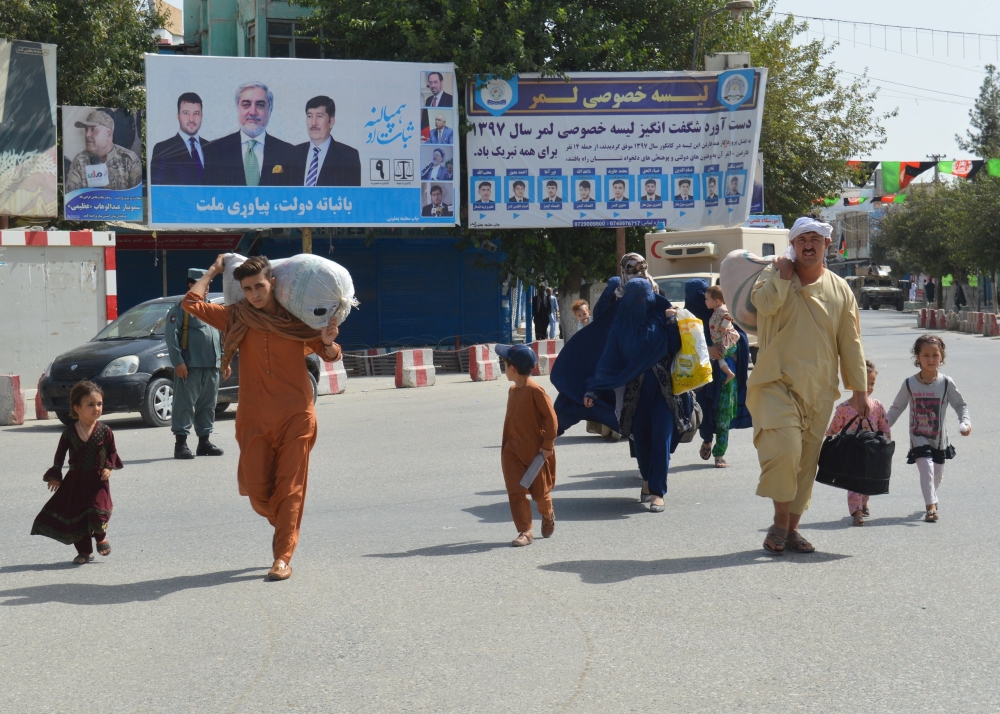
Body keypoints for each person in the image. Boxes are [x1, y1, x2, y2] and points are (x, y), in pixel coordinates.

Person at [182, 255, 342, 581]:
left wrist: (327, 342)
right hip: (253, 417)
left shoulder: (296, 321)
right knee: (256, 490)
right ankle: (286, 519)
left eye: (260, 286)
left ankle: (282, 557)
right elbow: (191, 303)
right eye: (247, 288)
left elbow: (329, 352)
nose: (255, 293)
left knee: (291, 488)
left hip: (296, 415)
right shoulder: (236, 318)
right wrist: (213, 270)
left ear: (273, 284)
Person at [748, 216, 869, 555]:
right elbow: (764, 306)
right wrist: (784, 276)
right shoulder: (773, 276)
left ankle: (792, 529)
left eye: (816, 239)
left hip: (819, 388)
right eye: (802, 239)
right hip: (775, 383)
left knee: (806, 461)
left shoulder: (840, 288)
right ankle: (779, 522)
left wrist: (859, 391)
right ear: (794, 245)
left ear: (827, 245)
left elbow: (851, 341)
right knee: (785, 451)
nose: (809, 245)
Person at [581, 258, 686, 512]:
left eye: (645, 296)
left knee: (662, 435)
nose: (641, 301)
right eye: (635, 297)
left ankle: (658, 492)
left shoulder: (662, 314)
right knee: (641, 438)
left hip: (664, 389)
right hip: (633, 392)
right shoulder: (621, 325)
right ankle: (648, 479)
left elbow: (675, 348)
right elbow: (608, 359)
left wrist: (672, 323)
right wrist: (594, 389)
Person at [31, 381, 122, 564]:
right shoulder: (69, 433)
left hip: (98, 480)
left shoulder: (105, 431)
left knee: (97, 512)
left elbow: (112, 451)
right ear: (76, 407)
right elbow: (59, 457)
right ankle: (85, 552)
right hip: (76, 481)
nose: (96, 408)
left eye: (99, 404)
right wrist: (56, 476)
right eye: (91, 404)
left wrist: (108, 467)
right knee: (77, 517)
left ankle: (100, 537)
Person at [886, 335, 971, 523]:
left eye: (935, 355)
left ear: (941, 357)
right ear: (917, 357)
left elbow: (960, 405)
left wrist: (965, 422)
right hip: (918, 436)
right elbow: (897, 407)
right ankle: (931, 507)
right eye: (925, 355)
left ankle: (932, 497)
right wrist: (883, 426)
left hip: (939, 438)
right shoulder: (910, 383)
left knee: (937, 473)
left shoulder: (946, 383)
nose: (931, 359)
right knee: (926, 468)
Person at [495, 344, 558, 546]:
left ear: (512, 368)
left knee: (540, 494)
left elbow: (551, 420)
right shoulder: (512, 391)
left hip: (535, 453)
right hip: (511, 451)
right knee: (515, 491)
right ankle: (525, 531)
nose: (504, 367)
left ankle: (548, 515)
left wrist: (547, 446)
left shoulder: (535, 391)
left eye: (505, 364)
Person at [686, 279, 752, 469]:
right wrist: (706, 348)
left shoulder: (722, 313)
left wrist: (725, 350)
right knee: (704, 412)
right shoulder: (688, 318)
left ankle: (720, 453)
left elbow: (740, 340)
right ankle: (707, 439)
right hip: (701, 375)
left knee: (723, 411)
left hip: (724, 373)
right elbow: (681, 343)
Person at [166, 269, 225, 460]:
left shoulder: (210, 308)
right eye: (202, 285)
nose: (206, 289)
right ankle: (180, 444)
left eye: (208, 285)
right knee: (184, 404)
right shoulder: (181, 308)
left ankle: (204, 442)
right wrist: (178, 362)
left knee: (208, 404)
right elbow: (171, 337)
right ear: (191, 285)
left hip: (211, 364)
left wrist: (223, 360)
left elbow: (218, 336)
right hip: (190, 364)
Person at [826, 360, 891, 526]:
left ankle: (864, 502)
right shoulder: (843, 408)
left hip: (871, 451)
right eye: (865, 383)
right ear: (853, 384)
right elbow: (834, 428)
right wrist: (828, 441)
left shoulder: (876, 406)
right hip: (851, 452)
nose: (869, 387)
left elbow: (884, 426)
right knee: (853, 481)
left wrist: (886, 445)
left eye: (872, 384)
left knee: (868, 481)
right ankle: (856, 512)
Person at [203, 81, 296, 186]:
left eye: (260, 105)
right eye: (246, 105)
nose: (252, 112)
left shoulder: (289, 153)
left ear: (270, 110)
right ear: (238, 109)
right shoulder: (214, 151)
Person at [290, 95, 361, 187]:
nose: (313, 122)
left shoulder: (348, 157)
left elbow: (352, 197)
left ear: (331, 122)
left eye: (319, 116)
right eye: (309, 116)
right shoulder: (293, 154)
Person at [64, 110, 142, 193]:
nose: (87, 134)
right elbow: (71, 198)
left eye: (93, 129)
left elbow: (137, 198)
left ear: (109, 134)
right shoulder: (79, 160)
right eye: (86, 130)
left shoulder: (129, 160)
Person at [151, 92, 211, 185]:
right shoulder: (163, 149)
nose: (191, 119)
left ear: (201, 116)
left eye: (196, 113)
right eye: (186, 113)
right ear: (178, 116)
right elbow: (159, 191)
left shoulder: (212, 148)